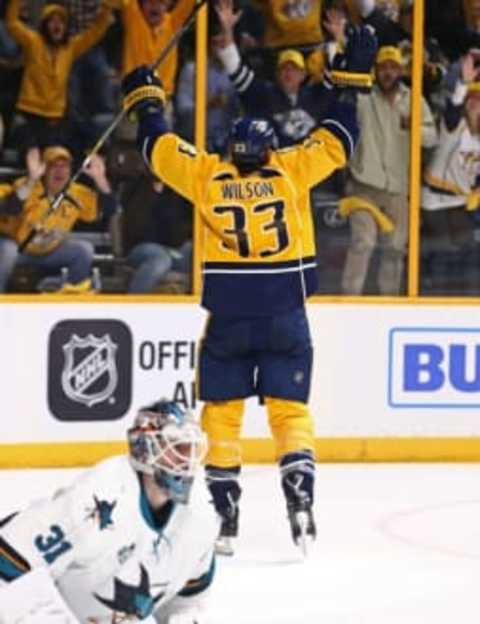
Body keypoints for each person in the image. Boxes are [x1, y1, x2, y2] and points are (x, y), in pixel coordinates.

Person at [121, 24, 377, 554]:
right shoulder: (289, 169)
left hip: (231, 315)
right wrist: (349, 84)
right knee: (289, 412)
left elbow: (158, 148)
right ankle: (300, 498)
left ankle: (227, 517)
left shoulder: (208, 173)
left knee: (222, 413)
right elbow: (340, 135)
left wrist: (148, 102)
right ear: (268, 148)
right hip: (286, 309)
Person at [0, 400, 218, 623]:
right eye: (176, 447)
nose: (187, 461)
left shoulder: (201, 513)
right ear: (144, 447)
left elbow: (188, 602)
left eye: (191, 448)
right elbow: (9, 557)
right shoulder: (97, 497)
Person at [340, 45, 437, 296]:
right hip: (363, 186)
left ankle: (389, 302)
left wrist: (412, 125)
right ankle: (349, 301)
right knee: (363, 242)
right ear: (375, 70)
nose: (388, 73)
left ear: (402, 71)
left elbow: (432, 138)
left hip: (398, 189)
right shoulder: (363, 99)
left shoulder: (414, 100)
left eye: (393, 67)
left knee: (395, 248)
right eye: (383, 67)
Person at [214, 0, 350, 147]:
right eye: (284, 68)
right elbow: (234, 68)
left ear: (303, 75)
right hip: (276, 166)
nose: (289, 73)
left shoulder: (317, 96)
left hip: (310, 166)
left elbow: (337, 71)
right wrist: (227, 30)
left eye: (294, 69)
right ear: (277, 74)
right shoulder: (263, 95)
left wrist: (338, 38)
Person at [0, 145, 118, 293]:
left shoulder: (77, 193)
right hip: (19, 250)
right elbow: (11, 209)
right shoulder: (27, 185)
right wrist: (31, 179)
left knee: (83, 250)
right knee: (7, 250)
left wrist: (100, 179)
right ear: (44, 170)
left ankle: (70, 292)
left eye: (64, 166)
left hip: (50, 251)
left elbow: (110, 210)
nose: (59, 171)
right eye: (53, 166)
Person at [5, 0, 117, 153]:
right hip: (28, 112)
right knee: (28, 156)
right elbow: (12, 23)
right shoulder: (33, 41)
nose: (57, 26)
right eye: (52, 21)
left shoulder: (70, 48)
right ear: (45, 25)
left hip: (55, 117)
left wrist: (106, 8)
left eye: (61, 22)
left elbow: (95, 33)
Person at [421, 53, 480, 295]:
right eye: (471, 98)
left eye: (478, 98)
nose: (473, 102)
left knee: (468, 247)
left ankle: (462, 297)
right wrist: (463, 84)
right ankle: (432, 293)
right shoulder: (455, 127)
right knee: (447, 246)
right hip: (435, 200)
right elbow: (452, 110)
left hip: (459, 202)